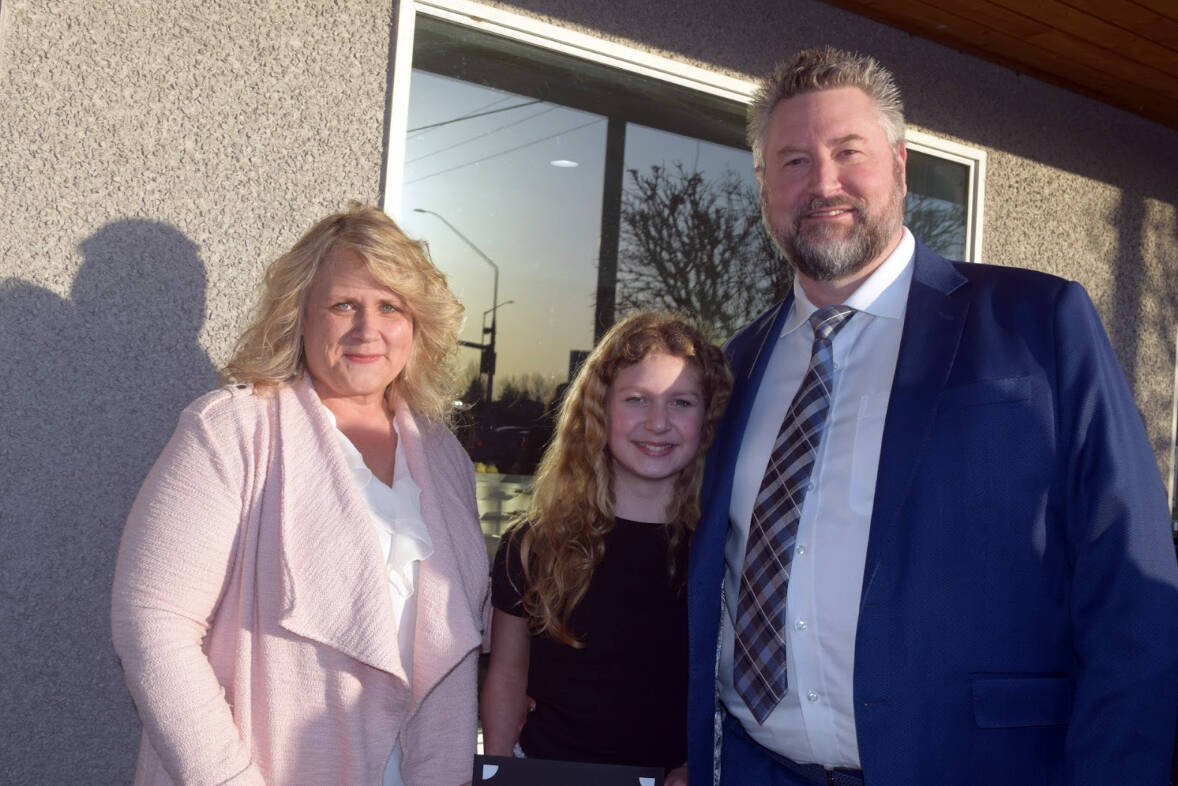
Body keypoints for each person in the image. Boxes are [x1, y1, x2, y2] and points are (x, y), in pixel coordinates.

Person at [685, 46, 1178, 786]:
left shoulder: (1038, 324)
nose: (823, 183)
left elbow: (1131, 586)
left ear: (900, 167)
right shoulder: (738, 363)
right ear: (763, 187)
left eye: (848, 152)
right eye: (793, 161)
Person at [111, 204, 487, 785]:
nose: (368, 330)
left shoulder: (444, 457)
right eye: (344, 305)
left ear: (417, 325)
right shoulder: (232, 430)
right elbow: (152, 624)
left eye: (390, 307)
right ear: (300, 316)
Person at [481, 313, 732, 782]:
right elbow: (508, 675)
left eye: (681, 402)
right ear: (599, 410)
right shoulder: (534, 544)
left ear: (708, 417)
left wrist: (699, 765)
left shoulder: (725, 552)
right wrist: (499, 769)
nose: (658, 422)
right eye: (637, 399)